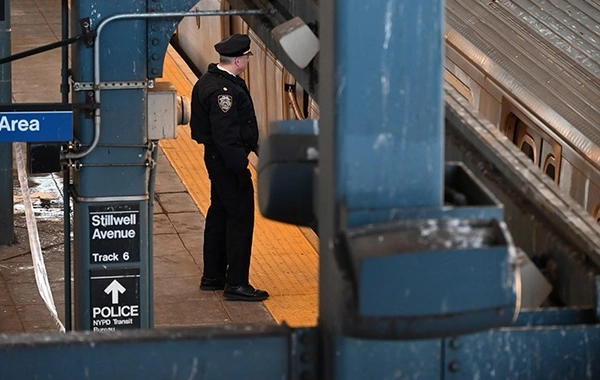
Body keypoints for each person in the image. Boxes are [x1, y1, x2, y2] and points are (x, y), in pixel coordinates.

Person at [189, 34, 269, 301]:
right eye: (246, 56)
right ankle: (236, 283)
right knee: (240, 220)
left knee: (220, 213)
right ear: (238, 60)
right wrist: (240, 166)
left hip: (216, 160)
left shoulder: (212, 81)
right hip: (227, 163)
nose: (247, 60)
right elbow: (225, 135)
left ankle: (213, 276)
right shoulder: (224, 92)